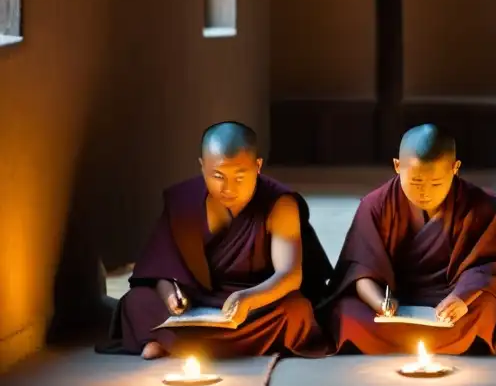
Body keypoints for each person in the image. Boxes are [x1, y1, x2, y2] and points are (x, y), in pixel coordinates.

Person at [103, 122, 332, 359]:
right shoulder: (184, 201)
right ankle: (197, 343)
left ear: (258, 167)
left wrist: (249, 298)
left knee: (295, 310)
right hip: (196, 300)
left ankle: (172, 343)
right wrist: (171, 296)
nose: (228, 188)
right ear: (202, 167)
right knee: (137, 301)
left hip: (257, 300)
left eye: (240, 176)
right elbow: (160, 268)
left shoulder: (279, 204)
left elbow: (289, 275)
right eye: (218, 176)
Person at [323, 124, 496, 354]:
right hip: (394, 301)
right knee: (347, 313)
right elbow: (359, 270)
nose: (425, 192)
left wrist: (461, 298)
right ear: (397, 166)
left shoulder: (476, 204)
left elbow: (488, 266)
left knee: (485, 308)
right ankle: (442, 343)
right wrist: (379, 304)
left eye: (435, 183)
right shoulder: (376, 205)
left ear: (455, 168)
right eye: (415, 182)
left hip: (449, 300)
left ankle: (402, 342)